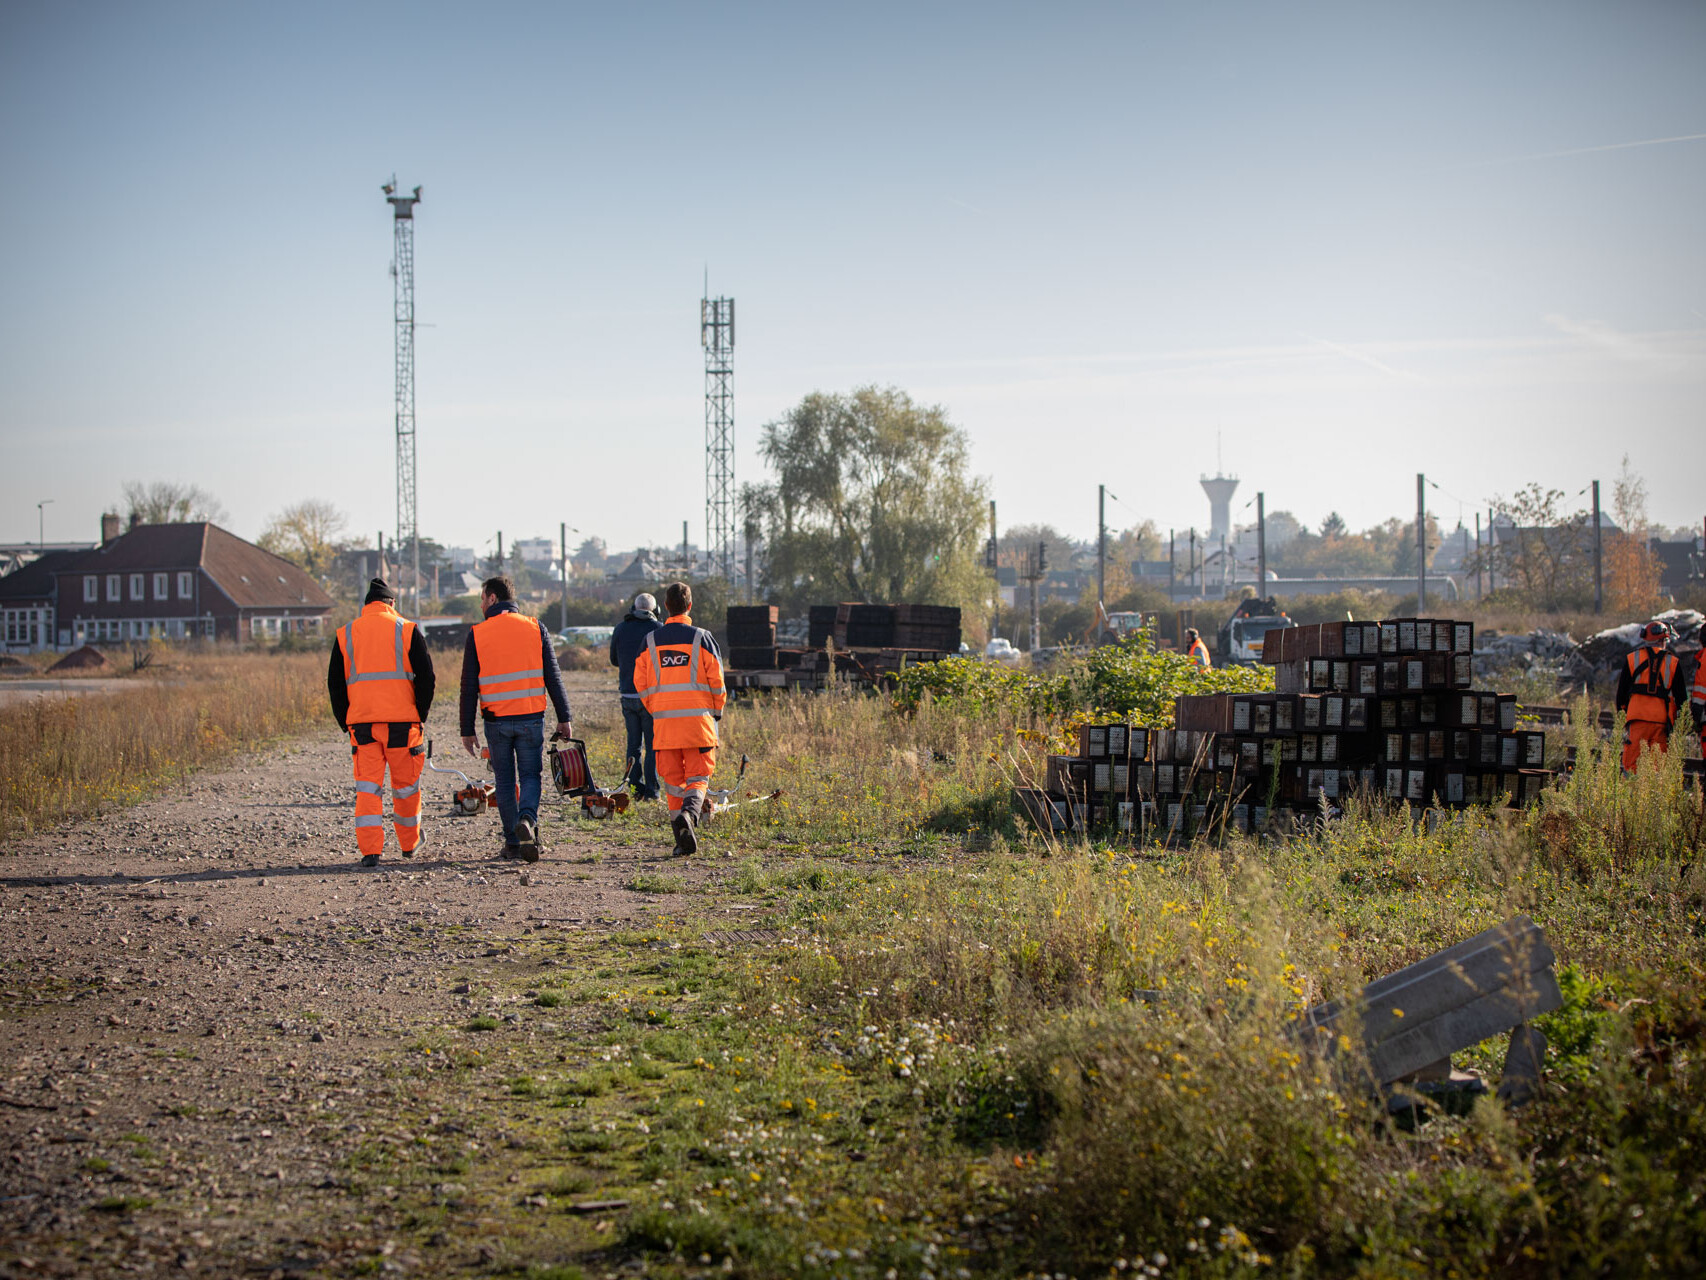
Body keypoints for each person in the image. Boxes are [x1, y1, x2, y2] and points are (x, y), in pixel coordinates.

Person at [459, 576, 572, 861]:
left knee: (505, 781)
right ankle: (528, 820)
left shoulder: (478, 633)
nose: (481, 605)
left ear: (493, 598)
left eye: (483, 599)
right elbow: (553, 676)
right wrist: (564, 716)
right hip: (530, 718)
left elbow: (468, 685)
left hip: (496, 721)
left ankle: (512, 842)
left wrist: (466, 729)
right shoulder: (536, 627)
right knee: (531, 775)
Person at [327, 578, 436, 867]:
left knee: (368, 789)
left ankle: (370, 852)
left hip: (362, 727)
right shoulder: (408, 630)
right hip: (403, 725)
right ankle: (408, 846)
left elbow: (335, 685)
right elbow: (427, 678)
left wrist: (345, 722)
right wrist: (419, 714)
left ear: (366, 606)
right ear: (392, 604)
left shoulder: (346, 634)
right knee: (406, 787)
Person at [631, 581, 726, 856]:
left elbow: (640, 682)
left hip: (664, 726)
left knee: (673, 783)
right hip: (698, 725)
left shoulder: (650, 641)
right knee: (698, 776)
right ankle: (690, 814)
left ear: (666, 607)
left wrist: (657, 707)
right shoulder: (702, 638)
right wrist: (715, 712)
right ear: (690, 606)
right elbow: (717, 683)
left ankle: (680, 841)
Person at [609, 592, 662, 800]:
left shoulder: (621, 628)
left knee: (633, 744)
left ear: (633, 608)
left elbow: (614, 660)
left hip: (628, 695)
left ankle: (635, 788)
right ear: (655, 611)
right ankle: (652, 791)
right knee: (652, 745)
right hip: (649, 696)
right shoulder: (658, 629)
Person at [1615, 620, 1685, 771]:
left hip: (1637, 720)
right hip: (1661, 722)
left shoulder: (1632, 658)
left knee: (1632, 765)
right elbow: (1682, 699)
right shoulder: (1673, 662)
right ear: (1664, 640)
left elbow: (1621, 695)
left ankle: (1633, 793)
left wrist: (1623, 715)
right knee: (1657, 768)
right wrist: (1680, 723)